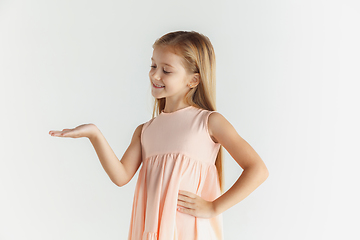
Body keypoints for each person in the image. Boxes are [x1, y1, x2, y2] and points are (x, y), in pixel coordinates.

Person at [49, 30, 269, 240]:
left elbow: (257, 169)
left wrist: (214, 207)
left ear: (193, 80)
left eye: (166, 70)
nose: (154, 74)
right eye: (153, 65)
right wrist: (94, 134)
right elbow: (121, 176)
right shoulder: (145, 130)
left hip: (189, 231)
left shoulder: (209, 122)